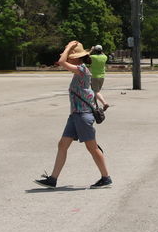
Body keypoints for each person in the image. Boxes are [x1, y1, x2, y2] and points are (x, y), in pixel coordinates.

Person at [35, 41, 112, 188]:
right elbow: (62, 61)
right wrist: (68, 49)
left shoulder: (82, 70)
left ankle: (106, 177)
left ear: (76, 58)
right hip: (75, 116)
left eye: (71, 55)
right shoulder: (79, 70)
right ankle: (53, 179)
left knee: (92, 148)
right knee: (62, 144)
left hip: (82, 116)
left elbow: (61, 61)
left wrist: (68, 47)